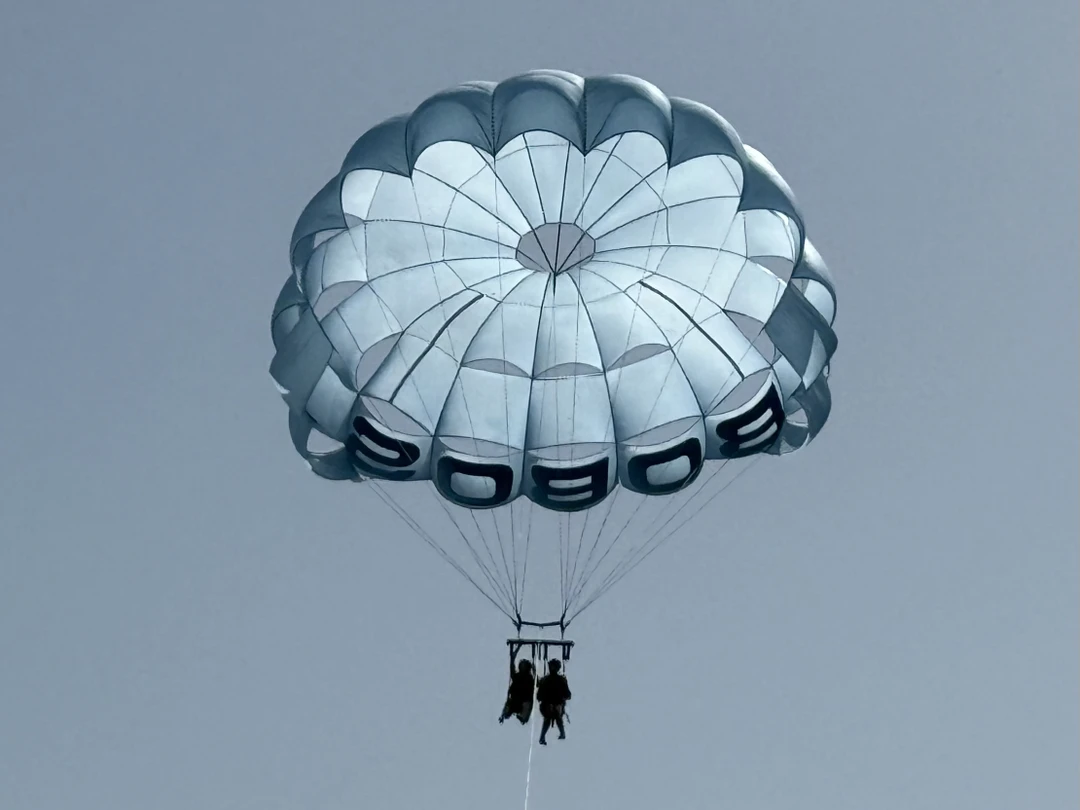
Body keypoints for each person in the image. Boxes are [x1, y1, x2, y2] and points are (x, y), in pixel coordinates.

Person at [537, 659, 571, 745]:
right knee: (552, 715)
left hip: (555, 703)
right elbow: (539, 695)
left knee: (553, 715)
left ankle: (545, 736)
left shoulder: (550, 680)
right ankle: (545, 736)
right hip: (549, 704)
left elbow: (567, 694)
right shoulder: (547, 680)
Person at [499, 658, 535, 725]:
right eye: (521, 666)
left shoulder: (529, 678)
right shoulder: (517, 675)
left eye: (524, 666)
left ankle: (523, 717)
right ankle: (504, 714)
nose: (522, 668)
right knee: (509, 703)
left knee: (527, 705)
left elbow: (532, 687)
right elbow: (513, 674)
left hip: (524, 699)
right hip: (515, 699)